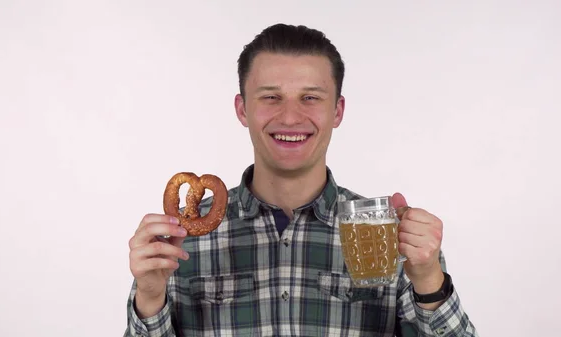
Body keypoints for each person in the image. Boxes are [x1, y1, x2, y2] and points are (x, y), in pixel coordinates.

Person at [124, 23, 478, 337]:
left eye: (310, 98)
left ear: (337, 110)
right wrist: (151, 298)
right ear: (242, 109)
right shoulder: (180, 241)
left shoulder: (389, 236)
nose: (290, 116)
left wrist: (430, 282)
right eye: (271, 97)